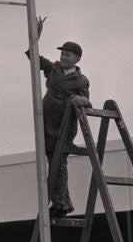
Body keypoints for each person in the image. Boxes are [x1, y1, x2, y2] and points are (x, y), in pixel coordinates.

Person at [26, 16, 90, 216]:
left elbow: (87, 102)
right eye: (62, 53)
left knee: (58, 163)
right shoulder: (53, 68)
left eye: (68, 54)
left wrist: (84, 101)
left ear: (77, 58)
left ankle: (61, 204)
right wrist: (35, 38)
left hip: (63, 126)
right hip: (46, 122)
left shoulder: (81, 80)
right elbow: (34, 57)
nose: (63, 57)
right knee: (53, 162)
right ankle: (63, 203)